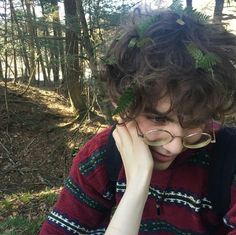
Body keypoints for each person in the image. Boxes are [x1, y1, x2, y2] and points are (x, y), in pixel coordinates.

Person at [39, 6, 236, 235]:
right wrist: (135, 191)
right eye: (157, 118)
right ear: (120, 104)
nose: (175, 146)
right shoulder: (102, 158)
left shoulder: (229, 160)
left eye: (195, 120)